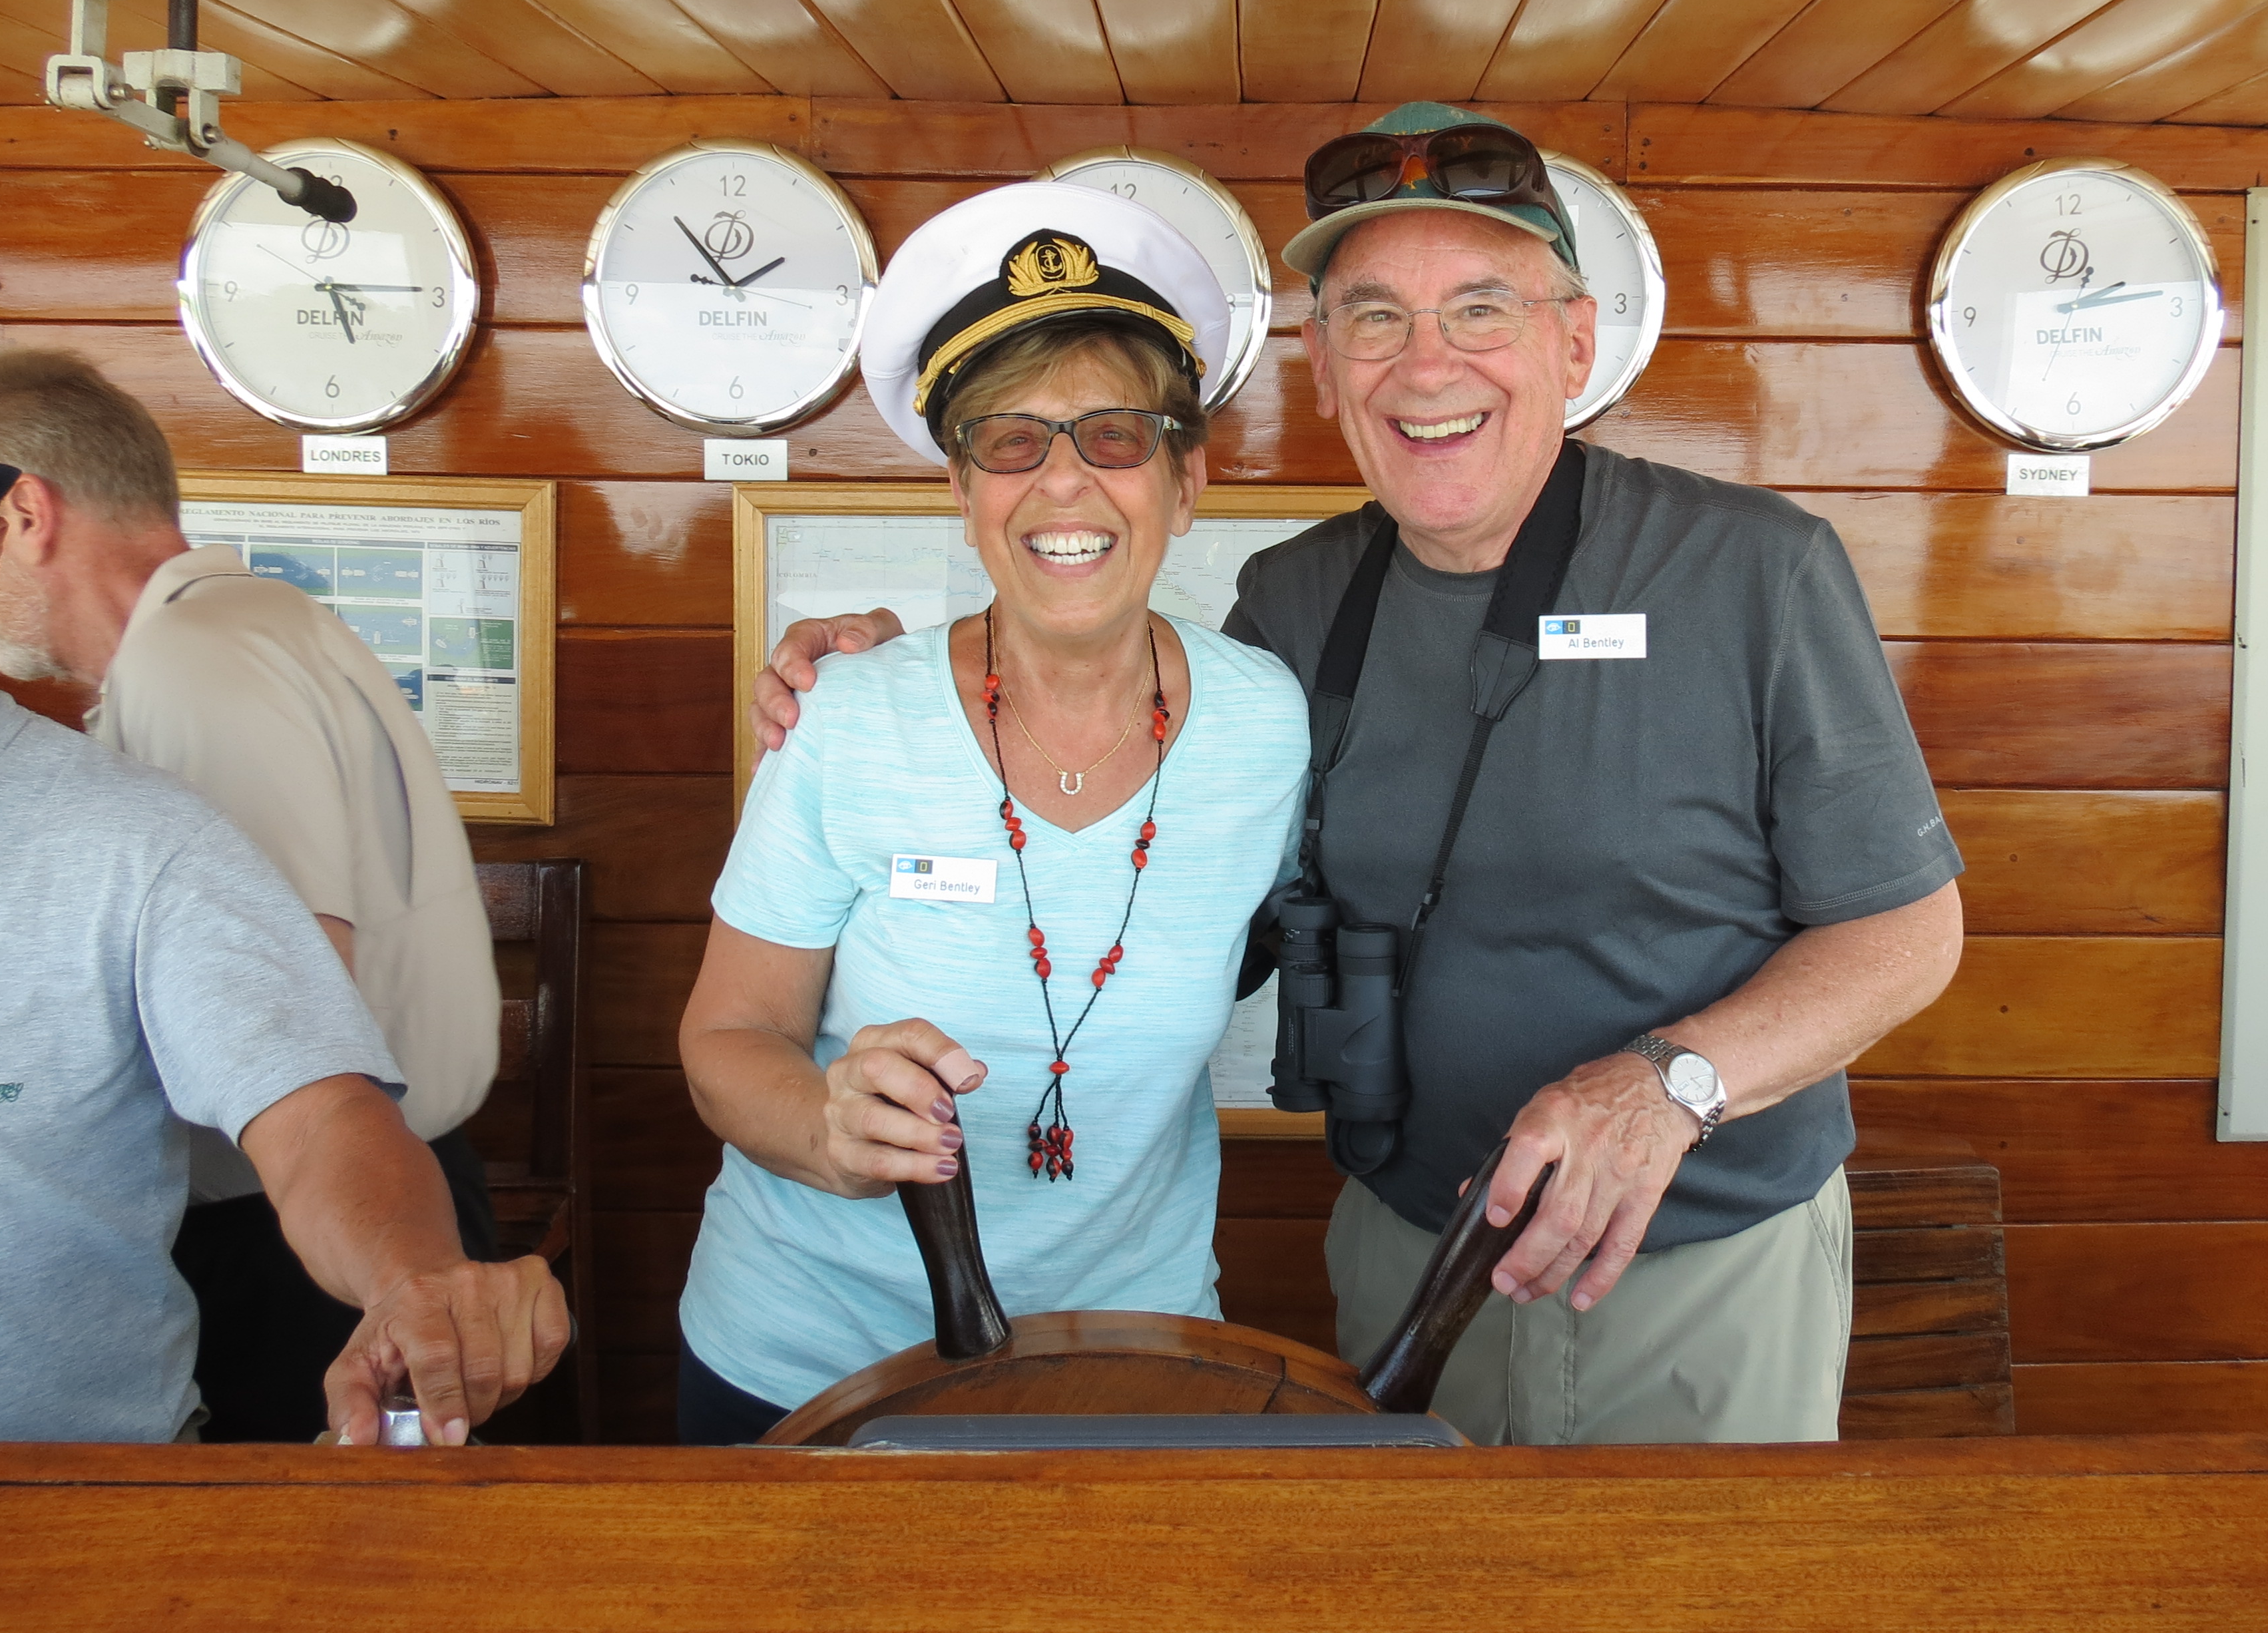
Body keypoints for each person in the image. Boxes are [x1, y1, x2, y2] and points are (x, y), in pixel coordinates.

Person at [753, 105, 1966, 1446]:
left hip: (1695, 1263)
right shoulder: (1295, 600)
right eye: (1375, 319)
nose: (1426, 364)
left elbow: (1908, 932)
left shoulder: (1754, 571)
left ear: (1573, 342)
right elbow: (1165, 852)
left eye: (1481, 309)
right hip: (1405, 1251)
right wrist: (893, 675)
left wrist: (1667, 1085)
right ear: (1325, 371)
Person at [676, 184, 1309, 1443]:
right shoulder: (847, 715)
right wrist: (825, 1126)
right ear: (962, 493)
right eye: (1010, 442)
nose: (1064, 483)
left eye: (1115, 436)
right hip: (811, 1361)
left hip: (1132, 1356)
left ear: (1188, 482)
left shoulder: (1265, 725)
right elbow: (729, 1036)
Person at [0, 364, 563, 1444]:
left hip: (296, 1229)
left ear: (1, 540)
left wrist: (407, 1268)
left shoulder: (186, 680)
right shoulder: (267, 618)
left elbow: (307, 1074)